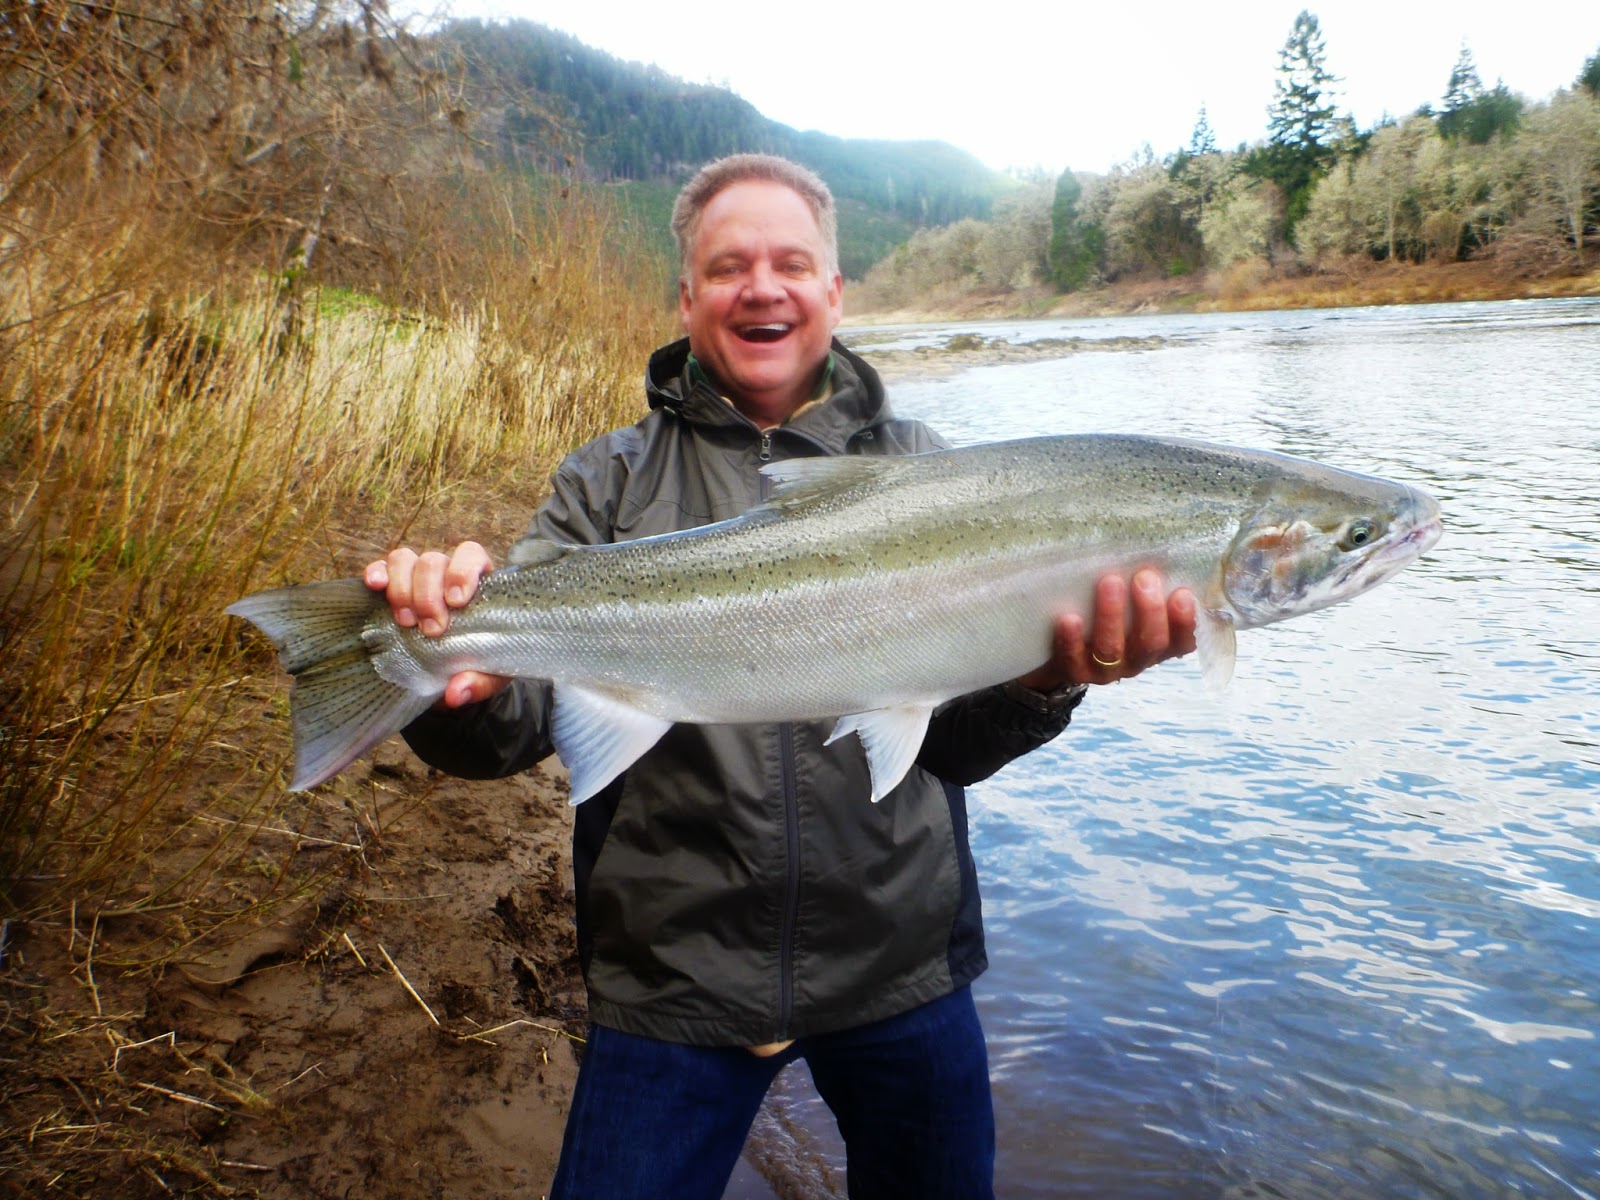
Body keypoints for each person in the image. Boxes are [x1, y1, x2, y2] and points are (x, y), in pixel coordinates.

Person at [366, 154, 1196, 1199]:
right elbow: (508, 728)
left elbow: (951, 745)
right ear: (686, 296)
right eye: (728, 266)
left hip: (899, 972)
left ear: (834, 293)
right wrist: (446, 669)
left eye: (791, 263)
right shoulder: (603, 482)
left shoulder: (926, 471)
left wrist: (1046, 683)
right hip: (673, 978)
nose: (762, 286)